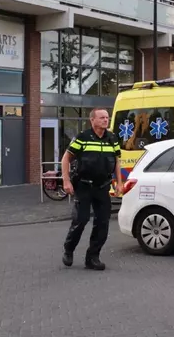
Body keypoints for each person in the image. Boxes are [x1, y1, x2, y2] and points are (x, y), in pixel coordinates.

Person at [61, 108, 123, 270]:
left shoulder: (112, 138)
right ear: (92, 120)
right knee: (81, 220)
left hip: (102, 186)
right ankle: (69, 249)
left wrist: (119, 182)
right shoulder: (83, 138)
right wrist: (66, 181)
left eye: (107, 118)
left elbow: (117, 161)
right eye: (102, 117)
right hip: (83, 185)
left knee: (102, 223)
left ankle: (92, 257)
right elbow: (66, 158)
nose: (105, 120)